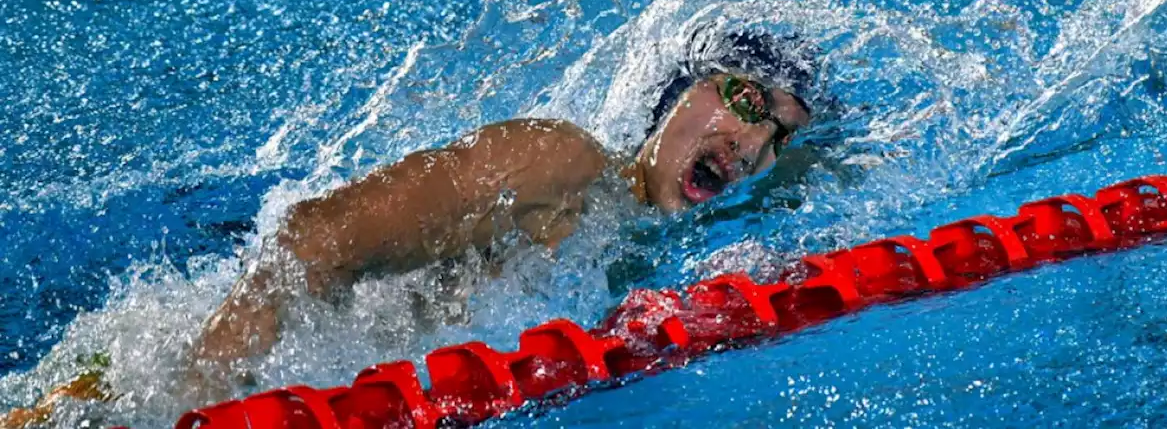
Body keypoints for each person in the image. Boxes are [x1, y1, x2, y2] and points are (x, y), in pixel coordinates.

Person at [1, 30, 816, 425]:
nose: (747, 143)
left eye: (774, 131)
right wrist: (197, 400)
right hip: (151, 392)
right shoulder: (558, 163)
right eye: (742, 100)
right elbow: (307, 240)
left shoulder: (634, 231)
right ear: (677, 95)